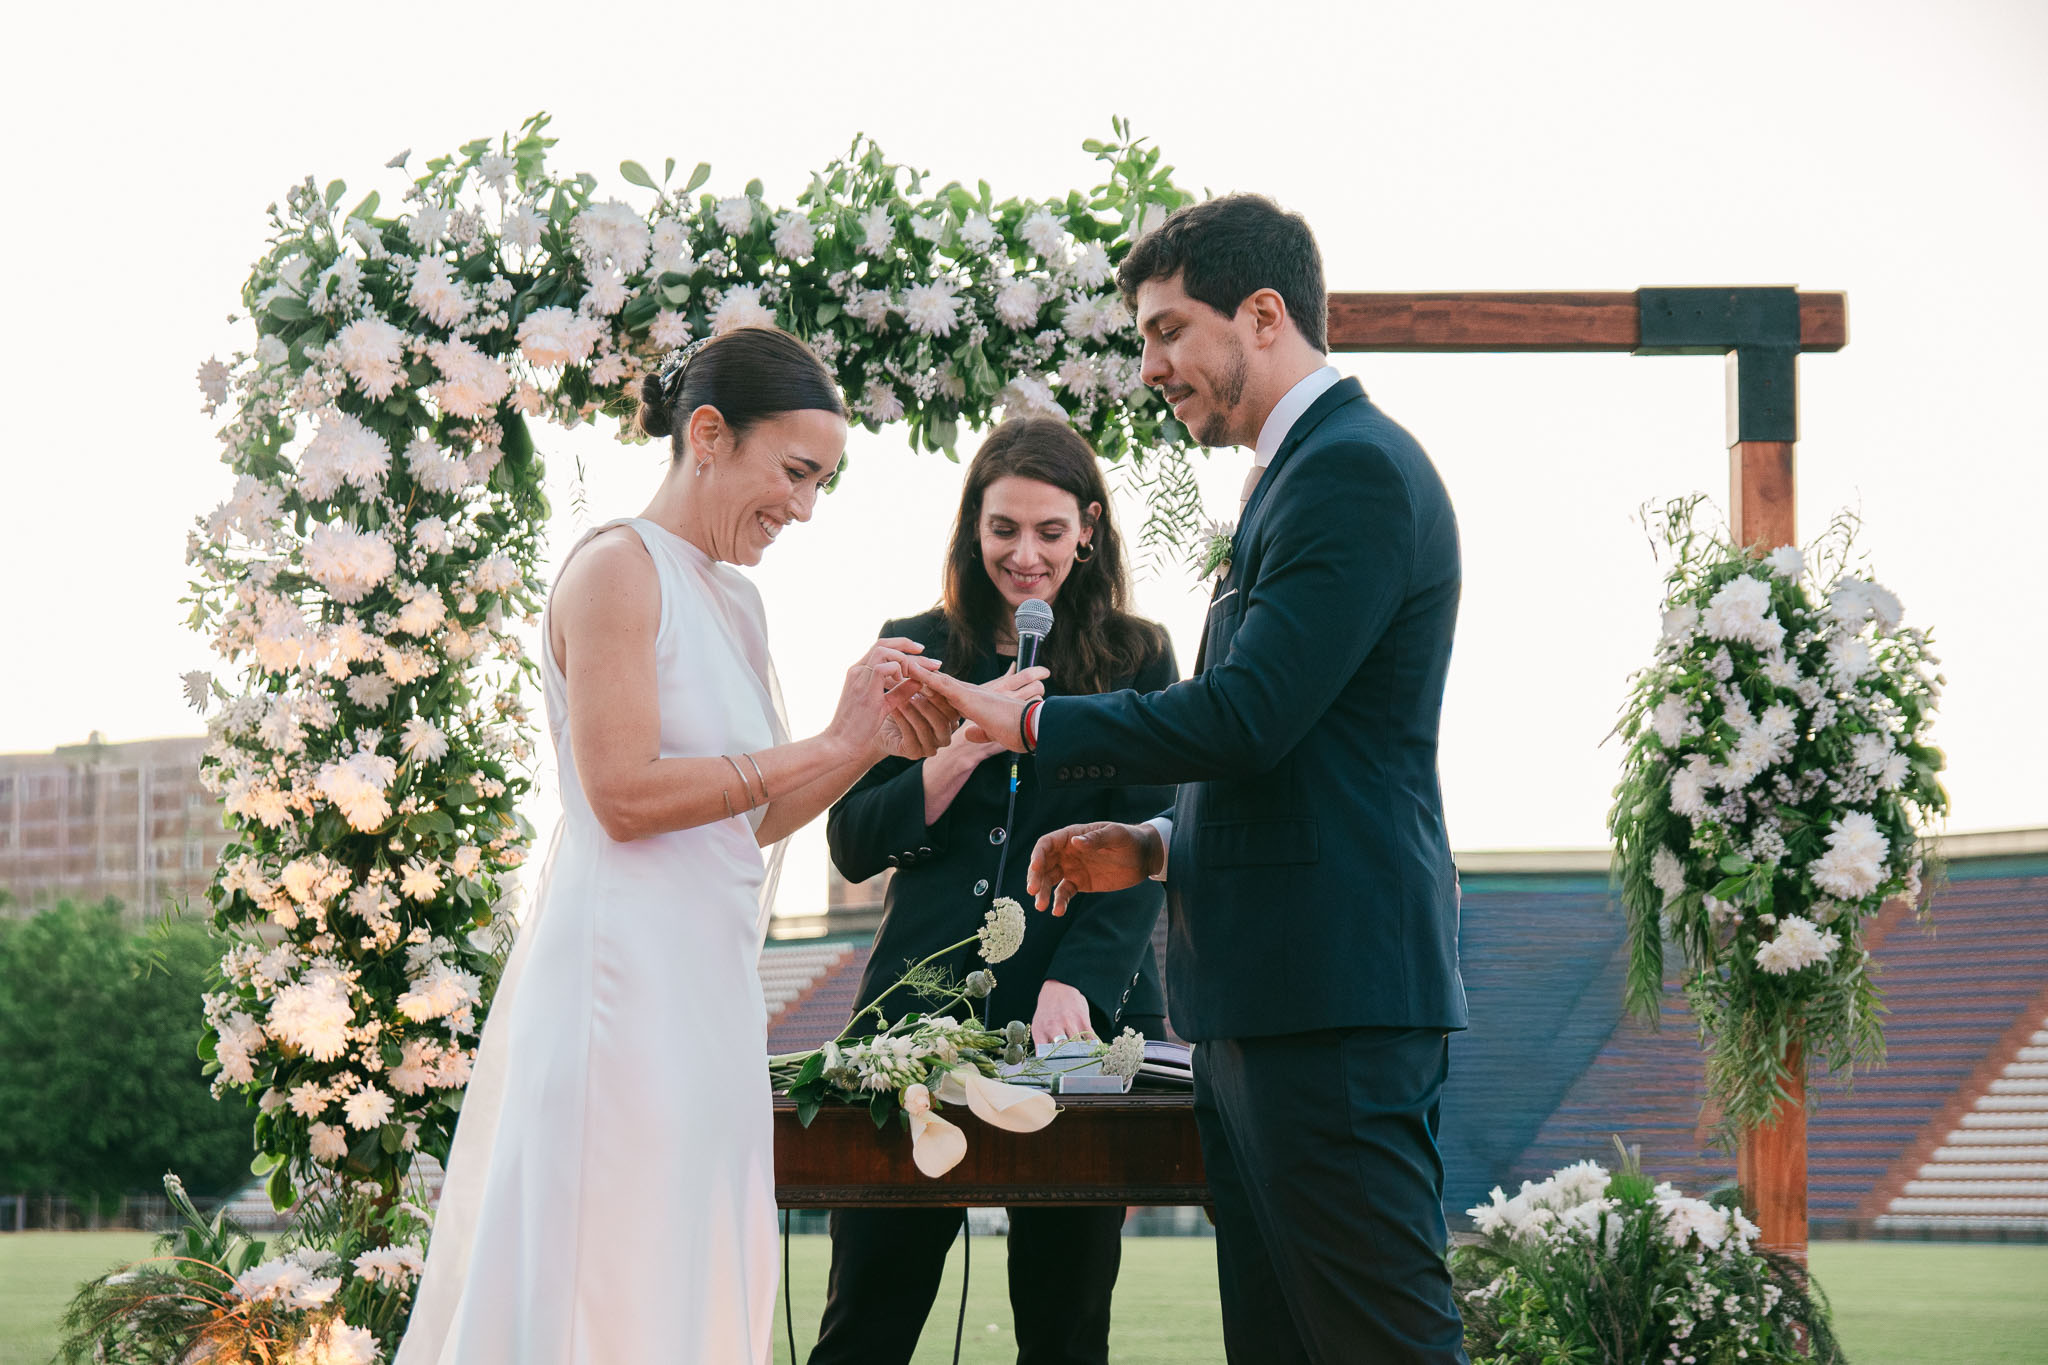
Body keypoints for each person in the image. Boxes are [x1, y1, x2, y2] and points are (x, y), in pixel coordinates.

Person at [919, 196, 1470, 1364]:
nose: (1149, 367)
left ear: (1261, 315)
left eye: (1167, 331)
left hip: (1328, 998)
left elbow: (1247, 717)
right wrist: (1154, 846)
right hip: (1262, 1003)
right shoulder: (1297, 477)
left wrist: (1032, 723)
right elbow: (1297, 744)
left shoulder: (1351, 473)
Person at [396, 327, 956, 1365]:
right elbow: (619, 795)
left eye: (821, 483)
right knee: (610, 1270)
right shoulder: (617, 568)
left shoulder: (735, 600)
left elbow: (746, 820)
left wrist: (868, 742)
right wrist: (827, 742)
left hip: (707, 990)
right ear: (707, 435)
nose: (803, 508)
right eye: (794, 472)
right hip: (621, 990)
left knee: (690, 1259)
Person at [808, 418, 1178, 1365]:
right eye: (1004, 528)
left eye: (1050, 531)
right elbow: (851, 840)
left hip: (1072, 1027)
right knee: (867, 1319)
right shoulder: (913, 647)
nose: (1025, 555)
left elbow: (1146, 842)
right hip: (913, 1021)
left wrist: (1080, 981)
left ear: (1088, 529)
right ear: (973, 525)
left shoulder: (1139, 657)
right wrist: (960, 751)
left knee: (1066, 1329)